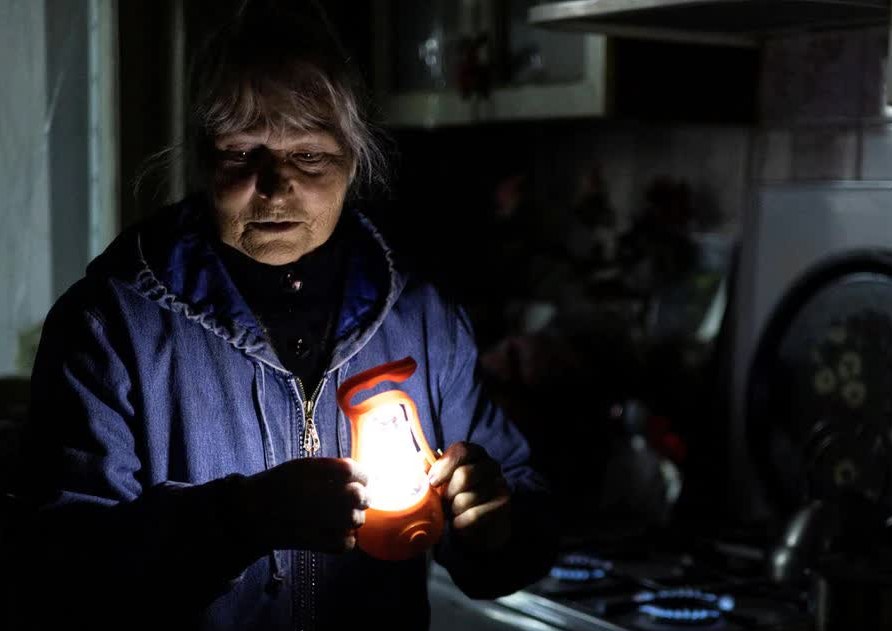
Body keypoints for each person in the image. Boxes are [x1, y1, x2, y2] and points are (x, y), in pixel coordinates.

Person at [2, 3, 557, 629]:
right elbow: (56, 573)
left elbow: (524, 518)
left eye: (311, 158)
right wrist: (240, 519)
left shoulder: (421, 319)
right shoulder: (110, 327)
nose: (275, 186)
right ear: (201, 158)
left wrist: (495, 526)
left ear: (354, 156)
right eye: (241, 155)